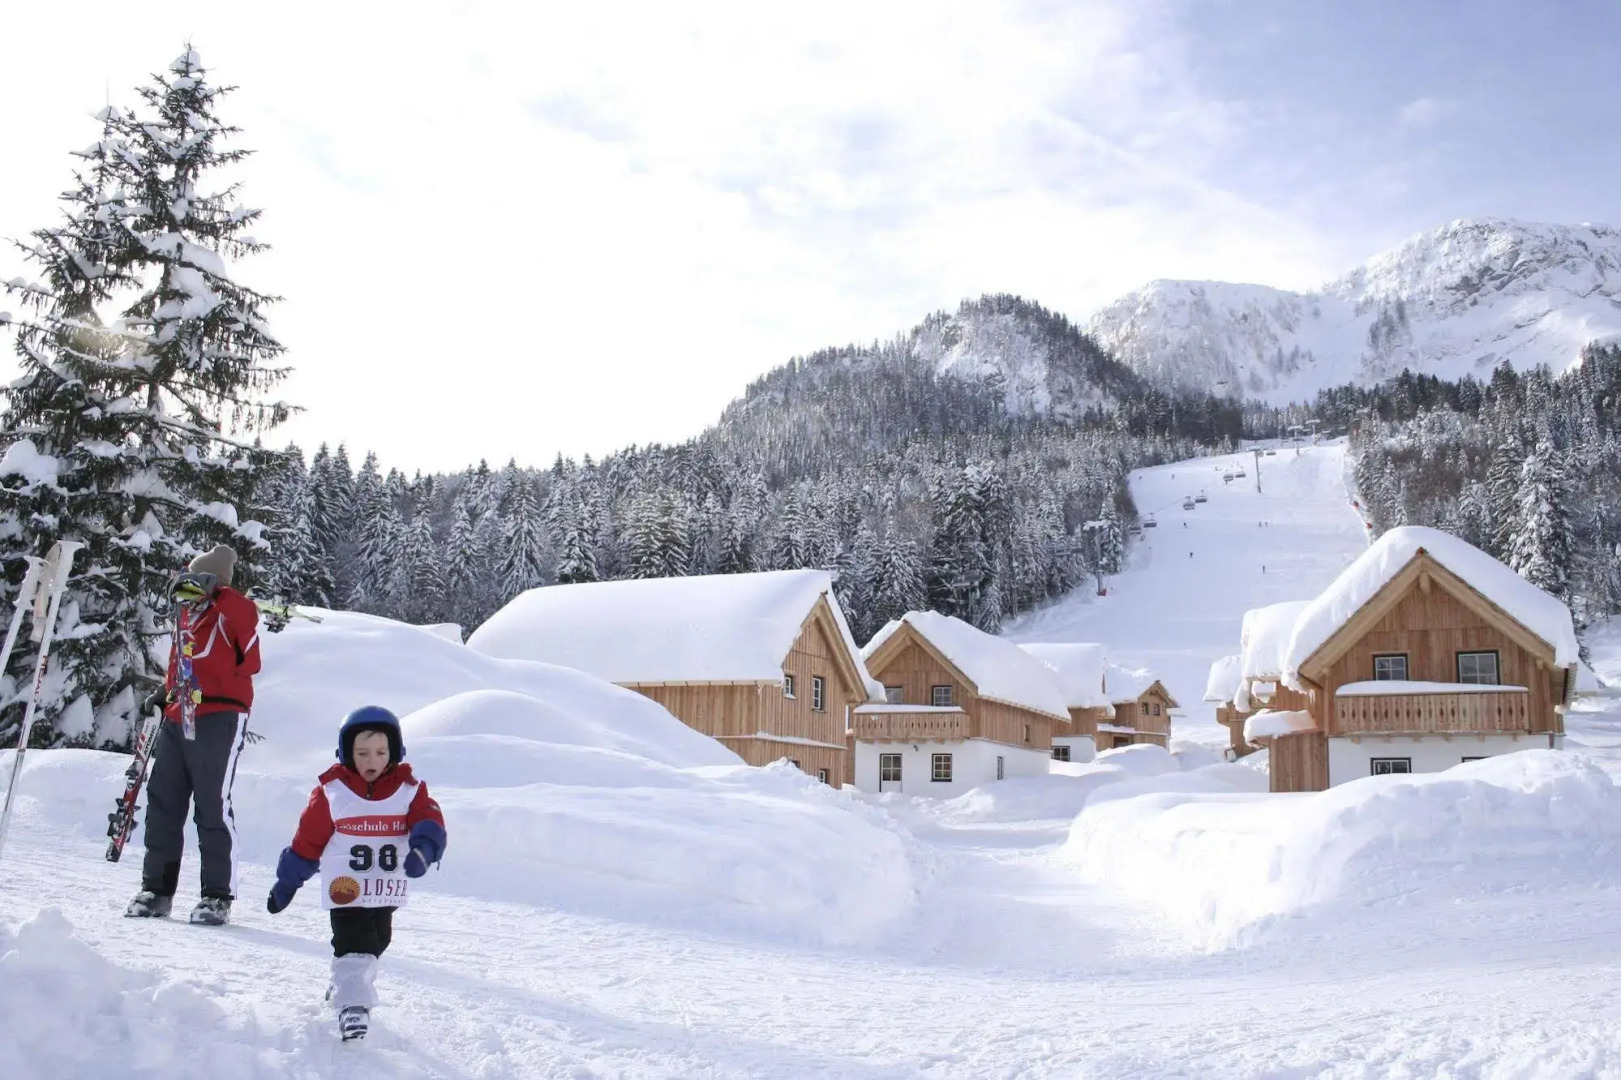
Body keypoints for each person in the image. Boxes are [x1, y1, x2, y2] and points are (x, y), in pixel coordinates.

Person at [265, 706, 446, 1042]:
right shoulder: (333, 794)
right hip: (345, 889)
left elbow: (429, 819)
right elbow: (307, 842)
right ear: (347, 753)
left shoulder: (409, 791)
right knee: (355, 942)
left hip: (384, 888)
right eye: (362, 753)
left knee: (376, 942)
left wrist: (424, 849)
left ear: (394, 753)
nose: (371, 760)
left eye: (380, 752)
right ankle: (352, 1007)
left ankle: (342, 985)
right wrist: (286, 883)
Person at [126, 544, 261, 925]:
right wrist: (162, 695)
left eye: (199, 583)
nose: (191, 593)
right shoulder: (188, 616)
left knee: (212, 805)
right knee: (164, 801)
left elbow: (250, 657)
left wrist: (220, 593)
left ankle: (216, 895)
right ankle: (157, 890)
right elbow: (182, 669)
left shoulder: (233, 610)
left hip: (220, 715)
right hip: (178, 714)